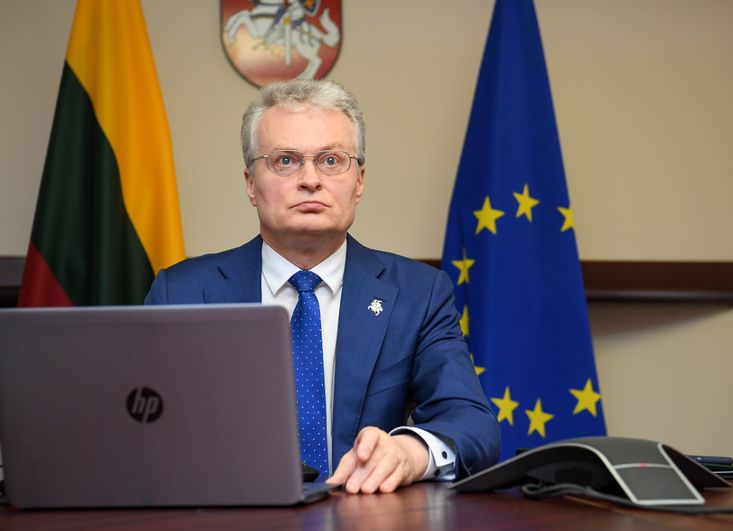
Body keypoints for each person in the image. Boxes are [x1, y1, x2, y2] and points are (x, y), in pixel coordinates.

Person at [145, 79, 499, 494]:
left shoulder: (419, 294)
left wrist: (410, 452)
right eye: (286, 161)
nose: (310, 179)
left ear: (359, 181)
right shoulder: (181, 293)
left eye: (331, 160)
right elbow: (140, 427)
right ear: (250, 184)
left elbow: (473, 423)